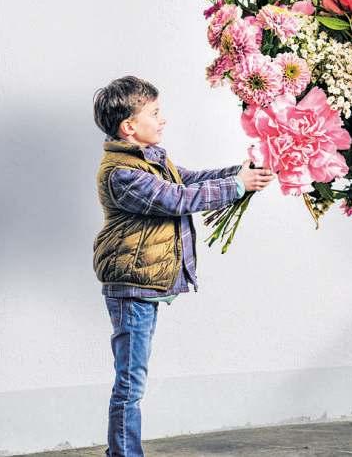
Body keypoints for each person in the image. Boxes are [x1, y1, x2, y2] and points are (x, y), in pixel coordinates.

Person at [92, 75, 275, 456]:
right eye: (155, 113)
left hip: (143, 285)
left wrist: (239, 173)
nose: (163, 119)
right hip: (131, 287)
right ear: (129, 127)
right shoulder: (122, 174)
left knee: (132, 380)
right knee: (130, 384)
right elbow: (177, 198)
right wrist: (237, 186)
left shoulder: (148, 159)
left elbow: (188, 180)